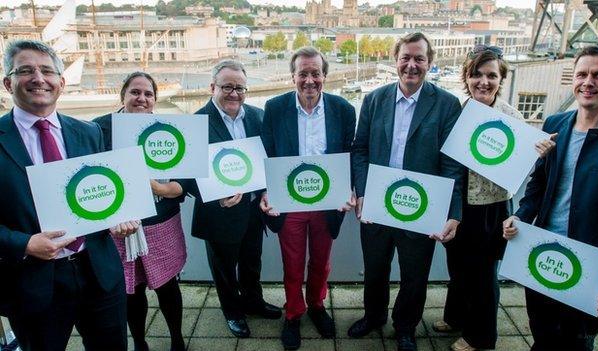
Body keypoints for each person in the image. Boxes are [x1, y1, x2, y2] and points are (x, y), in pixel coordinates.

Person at [0, 39, 140, 351]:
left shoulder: (89, 132)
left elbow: (104, 194)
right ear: (8, 82)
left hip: (99, 272)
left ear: (61, 82)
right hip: (31, 282)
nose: (39, 78)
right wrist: (24, 243)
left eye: (47, 71)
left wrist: (119, 216)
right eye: (26, 70)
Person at [433, 45, 556, 351]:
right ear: (467, 77)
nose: (483, 82)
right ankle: (456, 316)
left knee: (484, 276)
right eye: (476, 74)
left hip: (492, 208)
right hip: (459, 205)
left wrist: (541, 156)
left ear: (502, 79)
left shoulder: (512, 118)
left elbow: (523, 168)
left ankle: (481, 336)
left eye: (491, 75)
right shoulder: (456, 113)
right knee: (458, 267)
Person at [502, 45, 598, 351]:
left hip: (591, 263)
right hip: (542, 249)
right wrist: (521, 214)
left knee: (577, 340)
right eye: (582, 74)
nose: (588, 82)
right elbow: (539, 183)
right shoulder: (555, 124)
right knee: (541, 331)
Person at [349, 32, 464, 351]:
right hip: (376, 204)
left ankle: (405, 327)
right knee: (375, 269)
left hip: (422, 206)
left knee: (415, 275)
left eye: (419, 59)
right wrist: (361, 192)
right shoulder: (374, 99)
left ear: (430, 62)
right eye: (406, 58)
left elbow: (451, 162)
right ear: (395, 60)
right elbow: (360, 149)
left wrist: (452, 212)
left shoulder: (446, 104)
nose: (411, 65)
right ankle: (373, 317)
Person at [260, 46, 356, 350]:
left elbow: (351, 156)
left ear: (325, 76)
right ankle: (293, 313)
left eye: (316, 73)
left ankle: (316, 304)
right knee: (292, 262)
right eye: (303, 73)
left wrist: (349, 189)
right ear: (293, 77)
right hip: (289, 202)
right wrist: (266, 190)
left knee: (321, 262)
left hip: (328, 202)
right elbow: (267, 153)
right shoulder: (274, 108)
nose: (310, 80)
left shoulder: (344, 109)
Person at [182, 60, 281, 338]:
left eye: (240, 88)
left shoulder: (258, 117)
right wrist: (215, 196)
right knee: (225, 268)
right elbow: (186, 175)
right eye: (227, 87)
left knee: (252, 260)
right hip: (219, 212)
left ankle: (253, 301)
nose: (234, 93)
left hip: (252, 208)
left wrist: (265, 190)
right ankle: (233, 312)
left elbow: (268, 160)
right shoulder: (195, 123)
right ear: (213, 87)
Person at [93, 72, 187, 351]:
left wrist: (163, 189)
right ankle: (139, 343)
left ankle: (178, 340)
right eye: (135, 92)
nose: (142, 99)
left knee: (168, 286)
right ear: (122, 95)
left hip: (162, 221)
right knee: (130, 290)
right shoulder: (98, 130)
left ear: (155, 99)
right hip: (120, 227)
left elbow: (187, 180)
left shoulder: (170, 128)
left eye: (148, 94)